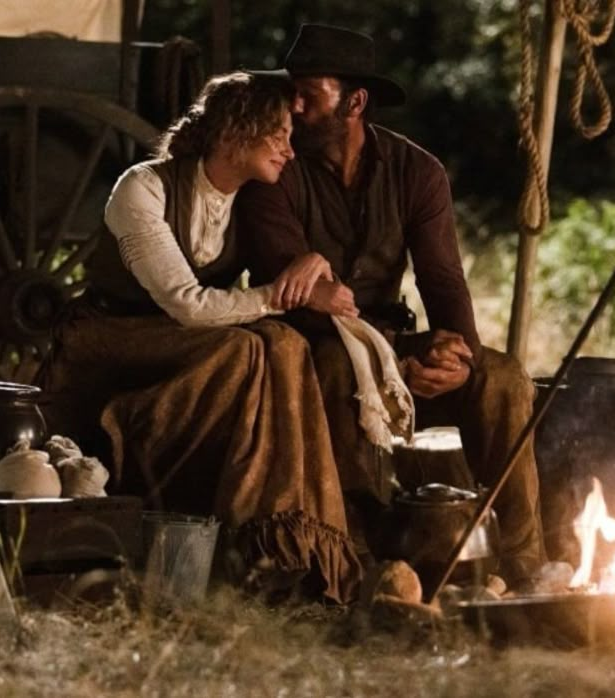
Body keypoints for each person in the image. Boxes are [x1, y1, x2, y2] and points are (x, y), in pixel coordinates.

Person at [236, 24, 547, 588]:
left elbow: (445, 282)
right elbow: (294, 291)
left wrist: (455, 353)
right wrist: (391, 360)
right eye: (292, 92)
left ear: (355, 102)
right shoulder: (274, 168)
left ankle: (525, 568)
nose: (295, 106)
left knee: (502, 377)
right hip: (312, 345)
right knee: (336, 366)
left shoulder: (417, 172)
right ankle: (357, 565)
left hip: (392, 344)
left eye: (311, 94)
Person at [36, 71, 362, 604]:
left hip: (181, 338)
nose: (289, 151)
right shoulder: (143, 188)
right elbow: (186, 304)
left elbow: (293, 272)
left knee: (285, 345)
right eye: (278, 133)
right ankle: (241, 546)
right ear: (236, 132)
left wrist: (311, 265)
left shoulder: (249, 198)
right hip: (110, 337)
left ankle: (285, 545)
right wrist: (282, 295)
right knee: (245, 347)